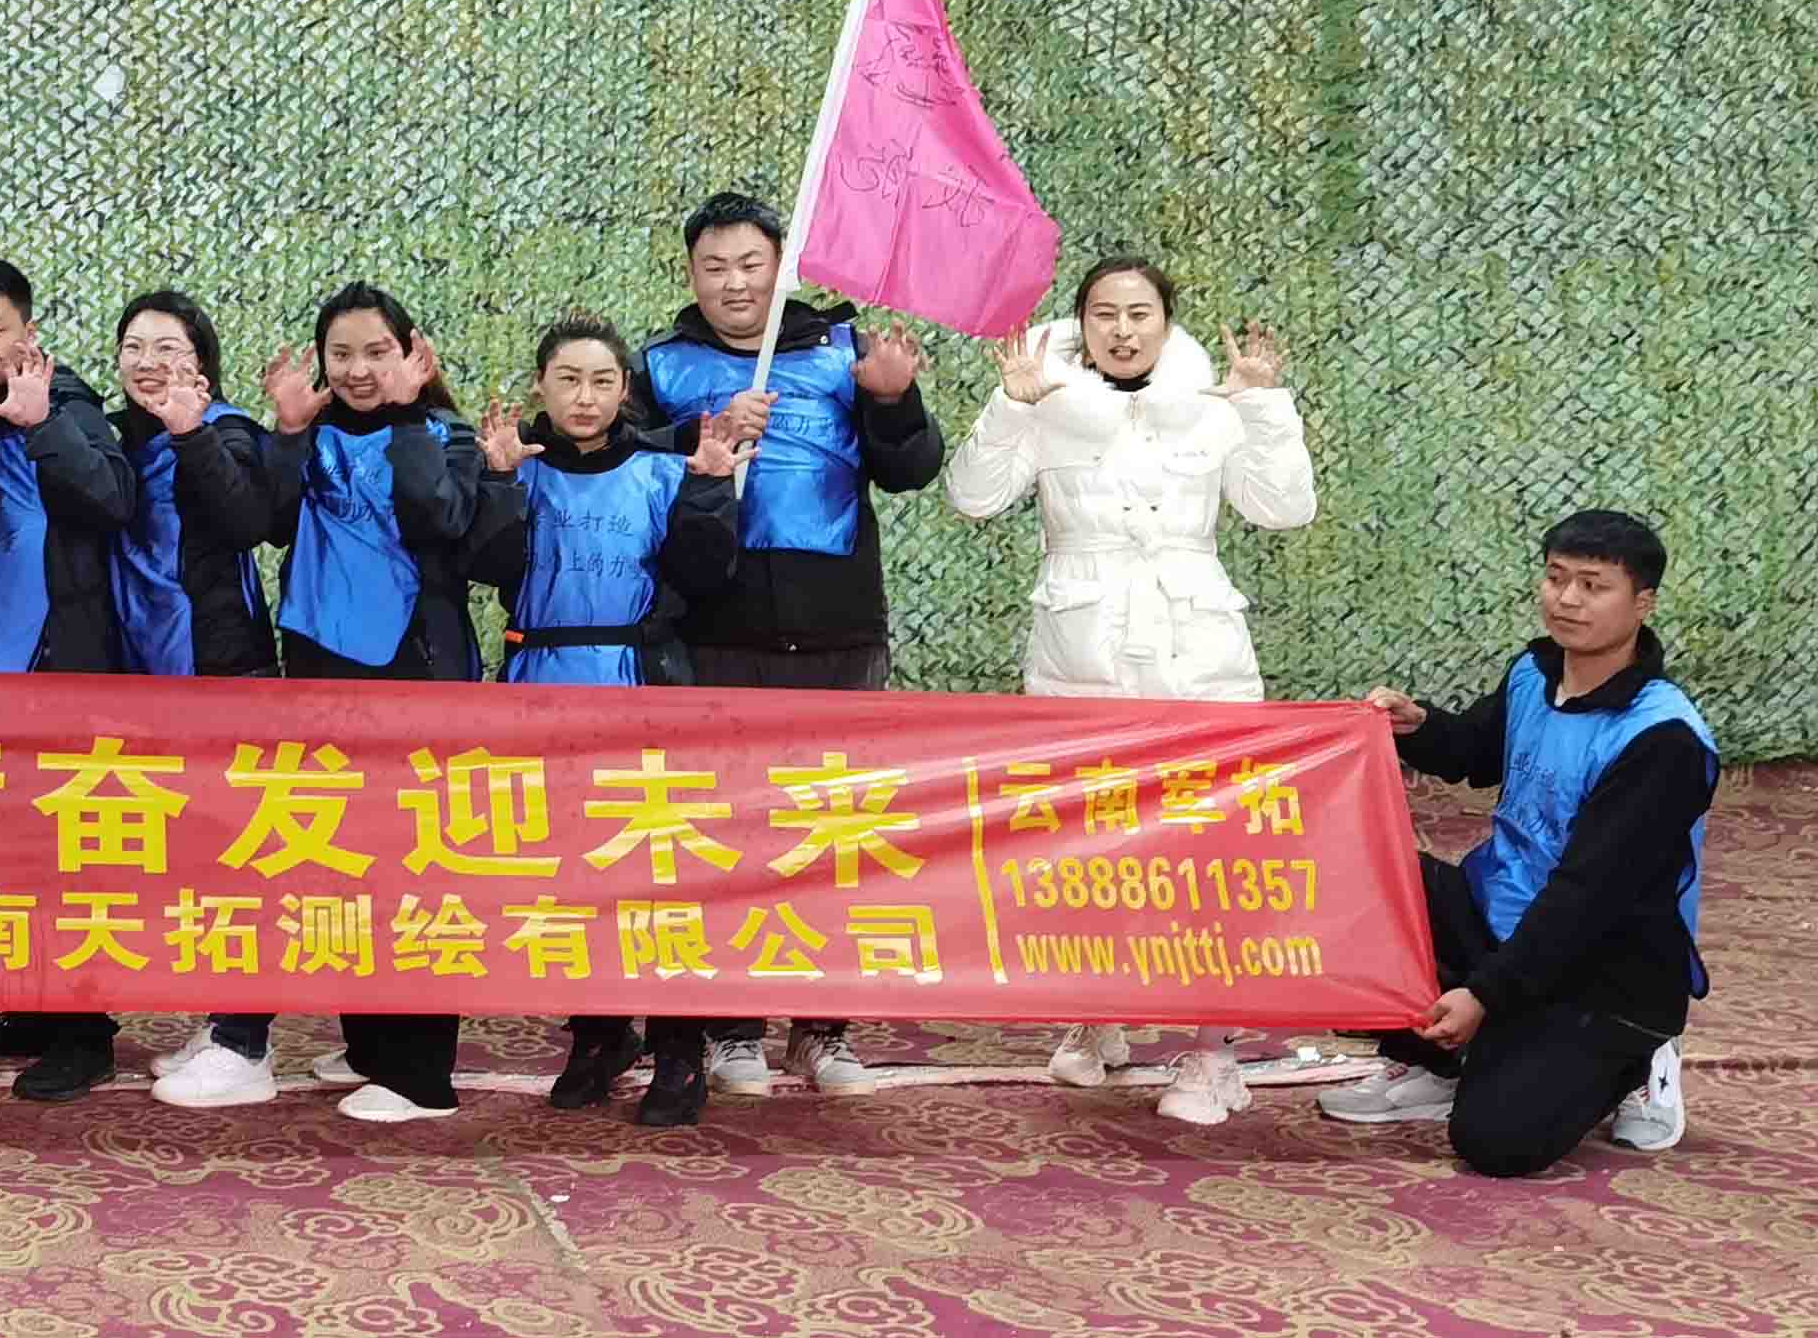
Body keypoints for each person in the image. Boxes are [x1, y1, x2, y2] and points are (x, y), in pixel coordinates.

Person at [946, 258, 1318, 1124]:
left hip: (1200, 659)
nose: (1122, 329)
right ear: (1080, 325)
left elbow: (1284, 506)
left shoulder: (1214, 408)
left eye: (1140, 312)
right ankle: (1096, 1013)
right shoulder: (1048, 404)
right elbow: (972, 495)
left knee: (1214, 857)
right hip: (1080, 656)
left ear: (1166, 322)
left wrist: (1264, 404)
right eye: (1104, 313)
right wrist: (1011, 405)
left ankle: (1213, 1051)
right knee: (1087, 846)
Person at [627, 190, 944, 1100]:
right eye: (714, 267)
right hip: (716, 634)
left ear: (781, 266)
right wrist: (699, 438)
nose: (734, 283)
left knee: (832, 832)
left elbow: (912, 468)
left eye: (750, 264)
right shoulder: (660, 364)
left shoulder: (848, 351)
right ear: (691, 274)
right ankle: (732, 1028)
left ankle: (823, 1027)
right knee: (726, 832)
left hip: (839, 627)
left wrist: (894, 400)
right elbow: (629, 465)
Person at [1321, 512, 1717, 1176]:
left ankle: (1638, 1059)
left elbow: (1586, 899)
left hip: (1604, 966)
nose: (1567, 598)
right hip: (1499, 913)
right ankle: (1438, 1062)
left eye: (1593, 585)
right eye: (1557, 577)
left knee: (1496, 1140)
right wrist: (1418, 726)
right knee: (1342, 879)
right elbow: (1476, 750)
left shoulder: (1662, 739)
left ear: (1642, 603)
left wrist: (1484, 996)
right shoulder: (1535, 672)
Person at [472, 317, 749, 1126]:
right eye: (568, 379)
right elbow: (485, 565)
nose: (584, 397)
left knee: (659, 870)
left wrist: (709, 488)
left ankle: (679, 1047)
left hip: (641, 683)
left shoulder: (666, 468)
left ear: (625, 389)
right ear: (541, 386)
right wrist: (495, 482)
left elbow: (708, 575)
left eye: (601, 380)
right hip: (541, 682)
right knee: (572, 873)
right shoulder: (520, 469)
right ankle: (598, 1032)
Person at [259, 279, 506, 1124]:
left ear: (412, 355)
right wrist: (287, 431)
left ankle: (422, 1073)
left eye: (376, 352)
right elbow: (264, 519)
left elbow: (438, 517)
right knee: (340, 854)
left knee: (417, 865)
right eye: (342, 354)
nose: (358, 369)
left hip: (416, 677)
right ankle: (369, 1042)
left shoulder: (447, 437)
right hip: (321, 673)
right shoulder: (311, 432)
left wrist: (405, 416)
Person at [0, 255, 134, 1102]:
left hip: (56, 665)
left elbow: (113, 499)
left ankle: (86, 1031)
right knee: (0, 853)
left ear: (29, 332)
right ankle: (30, 1004)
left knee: (67, 853)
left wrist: (43, 422)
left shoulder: (71, 402)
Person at [92, 290, 301, 1111]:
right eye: (134, 347)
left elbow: (250, 519)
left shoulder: (228, 431)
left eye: (169, 347)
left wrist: (191, 432)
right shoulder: (114, 438)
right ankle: (221, 1022)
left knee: (239, 855)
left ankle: (245, 1042)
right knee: (183, 860)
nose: (148, 362)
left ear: (202, 363)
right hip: (143, 675)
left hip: (224, 672)